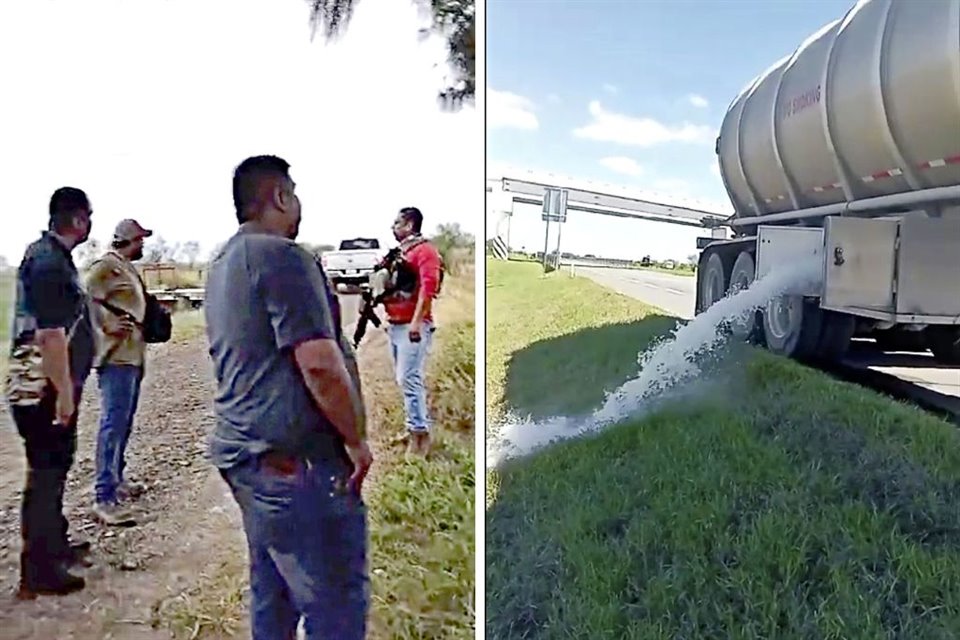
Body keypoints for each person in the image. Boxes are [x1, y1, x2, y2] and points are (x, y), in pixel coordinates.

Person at [204, 155, 373, 639]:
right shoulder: (283, 256)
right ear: (280, 196)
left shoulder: (222, 264)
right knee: (335, 605)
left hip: (249, 460)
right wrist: (356, 441)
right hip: (297, 468)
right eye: (293, 192)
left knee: (274, 595)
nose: (298, 203)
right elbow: (319, 363)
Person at [3, 187, 97, 598]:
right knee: (45, 473)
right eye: (88, 216)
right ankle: (39, 570)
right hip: (41, 385)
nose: (90, 223)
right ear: (77, 220)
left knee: (54, 469)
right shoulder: (48, 263)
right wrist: (63, 393)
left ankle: (53, 547)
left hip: (46, 383)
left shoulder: (49, 256)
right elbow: (51, 336)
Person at [85, 218, 155, 525]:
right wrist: (104, 324)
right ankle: (104, 496)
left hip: (132, 355)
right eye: (140, 240)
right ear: (129, 239)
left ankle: (117, 480)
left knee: (123, 422)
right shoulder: (105, 266)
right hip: (115, 358)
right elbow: (83, 300)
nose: (143, 245)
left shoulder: (125, 267)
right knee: (112, 424)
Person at [382, 206, 443, 455]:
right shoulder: (399, 253)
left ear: (409, 225)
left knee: (409, 378)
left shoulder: (425, 251)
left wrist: (417, 322)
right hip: (396, 325)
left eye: (397, 223)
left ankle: (421, 435)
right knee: (404, 380)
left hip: (413, 326)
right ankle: (412, 429)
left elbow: (429, 288)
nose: (393, 227)